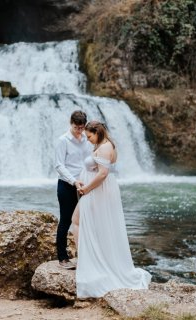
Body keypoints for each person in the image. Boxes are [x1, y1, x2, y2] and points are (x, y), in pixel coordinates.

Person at [71, 120, 151, 298]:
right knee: (86, 223)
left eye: (89, 135)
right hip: (98, 190)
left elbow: (102, 174)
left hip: (97, 190)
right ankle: (88, 258)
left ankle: (86, 260)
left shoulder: (105, 147)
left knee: (77, 221)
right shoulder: (104, 144)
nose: (88, 139)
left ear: (97, 132)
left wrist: (87, 189)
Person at [54, 110, 92, 270]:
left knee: (87, 220)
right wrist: (74, 181)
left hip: (85, 185)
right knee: (66, 220)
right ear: (71, 124)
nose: (79, 131)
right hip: (67, 185)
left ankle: (85, 256)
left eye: (82, 128)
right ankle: (62, 257)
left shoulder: (87, 139)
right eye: (77, 127)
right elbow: (58, 165)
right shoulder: (63, 140)